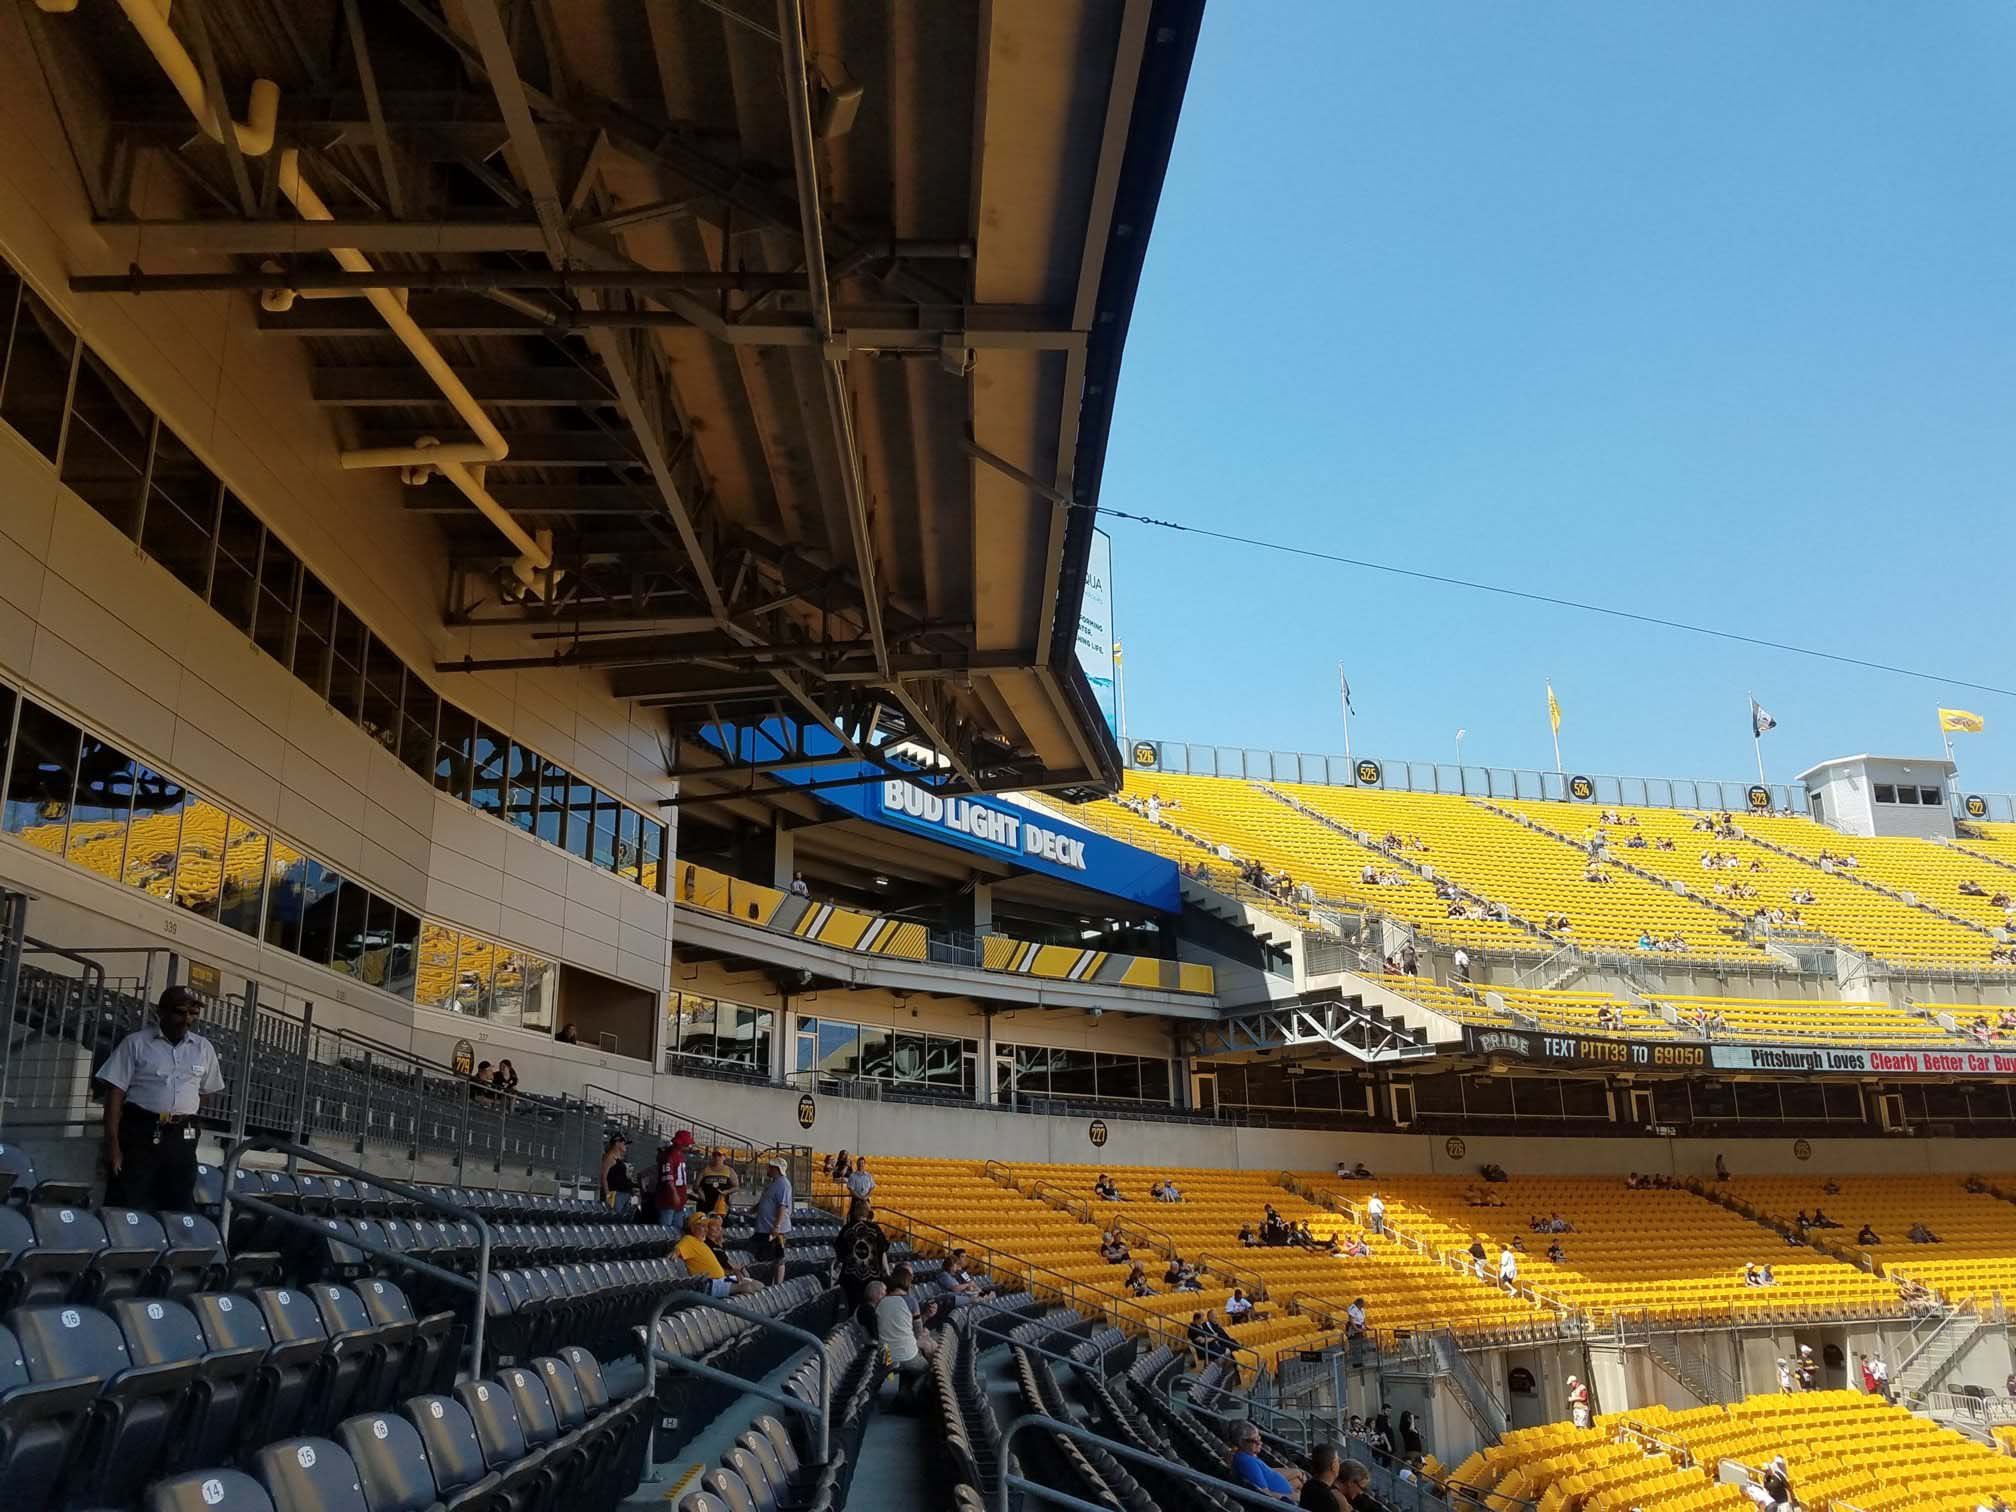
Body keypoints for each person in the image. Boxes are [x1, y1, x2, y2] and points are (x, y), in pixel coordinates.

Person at [97, 985, 226, 1212]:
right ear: (162, 1012)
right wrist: (112, 1144)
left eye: (193, 1013)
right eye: (180, 1011)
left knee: (178, 1198)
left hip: (181, 1135)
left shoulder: (203, 1048)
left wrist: (185, 1115)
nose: (187, 1019)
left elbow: (208, 1092)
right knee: (128, 1197)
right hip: (141, 1130)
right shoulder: (136, 1043)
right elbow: (115, 1093)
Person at [878, 1264, 935, 1407]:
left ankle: (902, 1395)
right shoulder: (910, 1301)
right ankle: (912, 1393)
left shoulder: (881, 1301)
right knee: (928, 1368)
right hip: (906, 1355)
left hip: (886, 1354)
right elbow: (918, 1332)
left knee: (911, 1359)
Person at [675, 1213, 760, 1298]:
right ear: (692, 1228)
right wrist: (675, 1252)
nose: (706, 1229)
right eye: (702, 1226)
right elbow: (678, 1249)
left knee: (757, 1285)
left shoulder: (701, 1243)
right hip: (709, 1284)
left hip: (720, 1280)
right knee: (748, 1287)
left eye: (706, 1226)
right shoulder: (689, 1239)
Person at [1229, 1419, 1304, 1500]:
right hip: (1286, 1504)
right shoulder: (1247, 1462)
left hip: (1284, 1492)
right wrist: (1296, 1497)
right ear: (1241, 1442)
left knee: (1299, 1479)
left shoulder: (1247, 1456)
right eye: (1255, 1440)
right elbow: (1265, 1494)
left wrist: (1296, 1472)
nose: (1260, 1443)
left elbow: (1268, 1472)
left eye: (1259, 1438)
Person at [835, 1197, 889, 1308]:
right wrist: (886, 1273)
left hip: (850, 1280)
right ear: (868, 1213)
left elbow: (839, 1253)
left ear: (854, 1212)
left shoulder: (847, 1229)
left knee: (851, 1309)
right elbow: (883, 1252)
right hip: (872, 1280)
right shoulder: (876, 1229)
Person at [753, 1156, 794, 1284]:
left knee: (776, 1257)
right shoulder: (774, 1183)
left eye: (770, 1167)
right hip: (765, 1227)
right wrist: (754, 1209)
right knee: (770, 1257)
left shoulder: (783, 1184)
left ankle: (775, 1284)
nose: (768, 1169)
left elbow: (782, 1206)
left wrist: (776, 1226)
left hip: (772, 1229)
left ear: (776, 1169)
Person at [654, 1129, 694, 1229]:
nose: (688, 1146)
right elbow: (668, 1178)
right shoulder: (669, 1156)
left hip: (679, 1200)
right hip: (668, 1200)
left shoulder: (680, 1156)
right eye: (686, 1144)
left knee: (677, 1230)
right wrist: (674, 1194)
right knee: (666, 1229)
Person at [1299, 1443, 1347, 1511]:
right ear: (1333, 1466)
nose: (1339, 1464)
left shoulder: (1308, 1485)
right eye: (1338, 1461)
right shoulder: (1328, 1499)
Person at [695, 1148, 739, 1216]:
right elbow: (696, 1185)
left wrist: (726, 1192)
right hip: (705, 1203)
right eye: (714, 1155)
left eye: (719, 1155)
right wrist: (699, 1192)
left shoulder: (729, 1171)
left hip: (721, 1203)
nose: (716, 1157)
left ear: (724, 1157)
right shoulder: (705, 1170)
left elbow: (736, 1187)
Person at [600, 1134, 636, 1213]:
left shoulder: (620, 1159)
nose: (626, 1146)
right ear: (617, 1143)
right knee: (616, 1218)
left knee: (624, 1220)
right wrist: (608, 1195)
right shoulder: (609, 1157)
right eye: (624, 1143)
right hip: (616, 1194)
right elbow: (603, 1177)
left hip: (625, 1193)